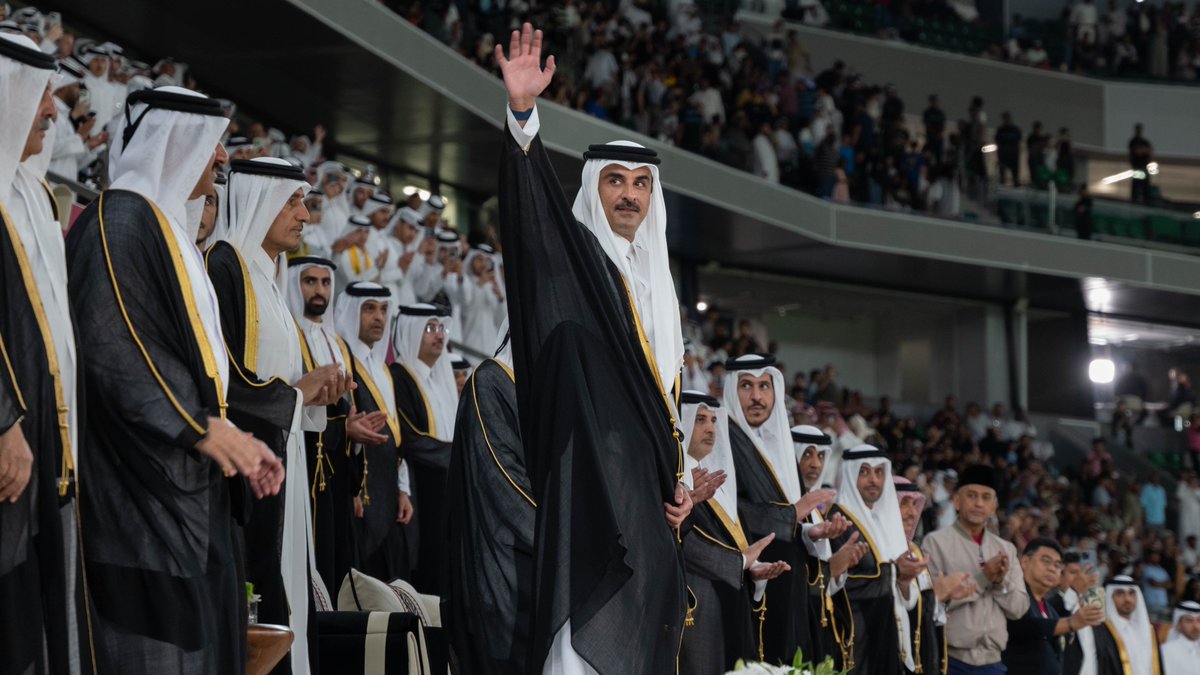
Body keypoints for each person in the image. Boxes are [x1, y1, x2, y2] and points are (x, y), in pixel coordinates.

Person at [66, 85, 284, 674]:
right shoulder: (120, 219)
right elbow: (115, 349)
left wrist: (229, 437)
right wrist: (202, 428)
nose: (218, 166)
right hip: (136, 493)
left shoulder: (164, 230)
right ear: (175, 144)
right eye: (211, 148)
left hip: (185, 483)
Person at [496, 23, 693, 673]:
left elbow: (666, 406)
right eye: (615, 181)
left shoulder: (661, 293)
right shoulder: (574, 263)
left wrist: (683, 483)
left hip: (650, 510)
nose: (630, 194)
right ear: (594, 188)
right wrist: (524, 119)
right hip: (590, 498)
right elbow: (531, 225)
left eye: (641, 183)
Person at [204, 156, 351, 674]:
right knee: (258, 594)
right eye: (292, 200)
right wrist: (297, 394)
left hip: (281, 461)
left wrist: (319, 394)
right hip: (246, 470)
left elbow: (283, 383)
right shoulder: (224, 266)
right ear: (259, 199)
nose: (305, 214)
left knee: (285, 587)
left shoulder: (269, 279)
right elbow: (222, 380)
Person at [0, 31, 81, 675]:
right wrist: (4, 419)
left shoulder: (31, 193)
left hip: (44, 446)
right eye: (40, 93)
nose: (52, 110)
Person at [724, 355, 844, 664]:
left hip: (788, 577)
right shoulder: (725, 439)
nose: (756, 397)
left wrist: (808, 531)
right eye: (746, 386)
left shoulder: (777, 444)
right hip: (746, 579)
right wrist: (793, 515)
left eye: (764, 386)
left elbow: (784, 513)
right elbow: (732, 510)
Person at [286, 256, 390, 592]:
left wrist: (355, 430)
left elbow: (346, 408)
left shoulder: (338, 344)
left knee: (339, 568)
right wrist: (342, 429)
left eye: (326, 282)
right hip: (304, 469)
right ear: (293, 284)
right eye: (310, 282)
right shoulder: (290, 336)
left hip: (338, 472)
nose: (319, 291)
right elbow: (294, 404)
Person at [445, 322, 536, 673]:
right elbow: (502, 481)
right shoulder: (491, 380)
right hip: (502, 559)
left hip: (538, 557)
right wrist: (562, 533)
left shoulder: (539, 392)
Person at [678, 390, 788, 674]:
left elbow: (737, 547)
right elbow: (686, 543)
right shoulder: (673, 477)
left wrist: (754, 570)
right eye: (700, 419)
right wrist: (740, 562)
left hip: (727, 606)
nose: (710, 429)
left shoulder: (718, 482)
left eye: (714, 421)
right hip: (692, 611)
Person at [333, 281, 409, 581]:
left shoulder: (383, 368)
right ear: (351, 312)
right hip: (359, 494)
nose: (378, 317)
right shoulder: (342, 359)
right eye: (369, 309)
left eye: (383, 310)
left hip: (387, 492)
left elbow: (397, 439)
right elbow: (343, 425)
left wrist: (403, 489)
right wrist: (352, 487)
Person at [924, 464, 1029, 675]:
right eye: (971, 496)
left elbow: (1019, 609)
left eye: (986, 497)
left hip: (993, 663)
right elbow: (930, 604)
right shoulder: (935, 543)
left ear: (994, 506)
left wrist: (1000, 583)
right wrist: (983, 579)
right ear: (956, 501)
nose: (979, 503)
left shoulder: (1006, 549)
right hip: (950, 659)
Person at [828, 445, 917, 675]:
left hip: (889, 638)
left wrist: (904, 579)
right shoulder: (839, 520)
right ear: (850, 474)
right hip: (856, 642)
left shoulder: (883, 521)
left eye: (879, 472)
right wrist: (895, 572)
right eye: (864, 472)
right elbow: (840, 585)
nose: (873, 480)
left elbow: (901, 595)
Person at [389, 303, 455, 593]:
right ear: (410, 332)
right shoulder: (399, 376)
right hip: (418, 486)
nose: (438, 335)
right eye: (430, 328)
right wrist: (457, 455)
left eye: (441, 328)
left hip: (443, 487)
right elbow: (410, 438)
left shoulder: (441, 379)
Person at [795, 424, 870, 664]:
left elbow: (826, 586)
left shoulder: (818, 515)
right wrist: (832, 569)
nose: (816, 464)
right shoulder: (782, 509)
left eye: (820, 456)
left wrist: (839, 570)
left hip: (821, 628)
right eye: (807, 454)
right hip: (794, 631)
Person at [896, 478, 977, 675]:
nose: (913, 513)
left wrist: (942, 599)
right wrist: (937, 595)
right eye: (904, 504)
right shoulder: (878, 552)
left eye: (915, 504)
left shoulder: (914, 550)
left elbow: (923, 606)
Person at [1003, 538, 1105, 674]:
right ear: (1025, 562)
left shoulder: (1051, 611)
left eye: (1057, 565)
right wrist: (1070, 623)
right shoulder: (1011, 594)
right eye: (1046, 561)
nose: (1052, 568)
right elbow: (1024, 625)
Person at [1065, 575, 1162, 675]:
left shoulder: (1149, 632)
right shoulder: (1101, 632)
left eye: (1132, 593)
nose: (1127, 599)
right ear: (1110, 597)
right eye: (1120, 594)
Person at [458, 243, 506, 358]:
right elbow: (465, 311)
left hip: (491, 345)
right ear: (471, 260)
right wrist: (481, 284)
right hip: (469, 343)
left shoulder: (495, 286)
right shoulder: (465, 282)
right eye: (479, 259)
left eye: (487, 261)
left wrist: (500, 299)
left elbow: (501, 321)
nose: (483, 264)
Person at [1162, 601, 1200, 674]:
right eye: (1189, 621)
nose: (1196, 626)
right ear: (1178, 625)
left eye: (1199, 620)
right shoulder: (1167, 651)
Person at [994, 112, 1022, 187]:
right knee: (1002, 172)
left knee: (1015, 173)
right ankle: (1002, 184)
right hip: (1003, 154)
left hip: (1013, 154)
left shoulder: (1015, 130)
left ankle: (1016, 185)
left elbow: (1018, 139)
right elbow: (997, 139)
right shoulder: (1000, 130)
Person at [1129, 123, 1153, 205]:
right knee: (1137, 185)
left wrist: (1142, 150)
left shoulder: (1145, 142)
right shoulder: (1133, 141)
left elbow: (1149, 150)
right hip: (1137, 167)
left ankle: (1146, 202)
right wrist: (1143, 150)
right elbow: (1137, 152)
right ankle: (1135, 201)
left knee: (1145, 186)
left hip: (1144, 167)